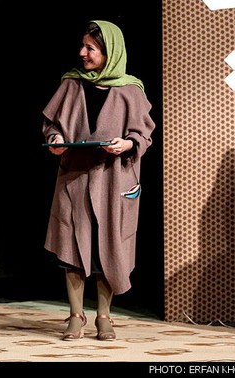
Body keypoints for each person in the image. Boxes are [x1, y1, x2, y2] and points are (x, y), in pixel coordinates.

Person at [42, 20, 155, 342]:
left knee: (109, 245)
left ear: (110, 52)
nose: (83, 53)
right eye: (83, 46)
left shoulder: (131, 89)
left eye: (90, 48)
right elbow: (52, 126)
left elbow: (143, 134)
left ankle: (104, 316)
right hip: (75, 177)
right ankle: (75, 315)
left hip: (113, 180)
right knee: (72, 244)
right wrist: (56, 140)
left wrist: (127, 144)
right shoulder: (71, 84)